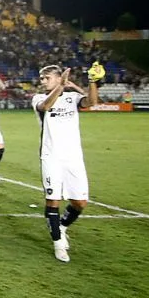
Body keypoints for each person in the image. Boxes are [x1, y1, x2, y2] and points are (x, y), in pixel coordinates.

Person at [33, 64, 100, 263]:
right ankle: (58, 244)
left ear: (57, 77)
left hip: (73, 157)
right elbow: (45, 107)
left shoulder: (71, 98)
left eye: (46, 78)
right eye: (42, 78)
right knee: (53, 200)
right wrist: (60, 86)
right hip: (51, 156)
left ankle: (61, 226)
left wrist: (91, 81)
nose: (42, 81)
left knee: (80, 203)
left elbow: (92, 102)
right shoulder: (38, 98)